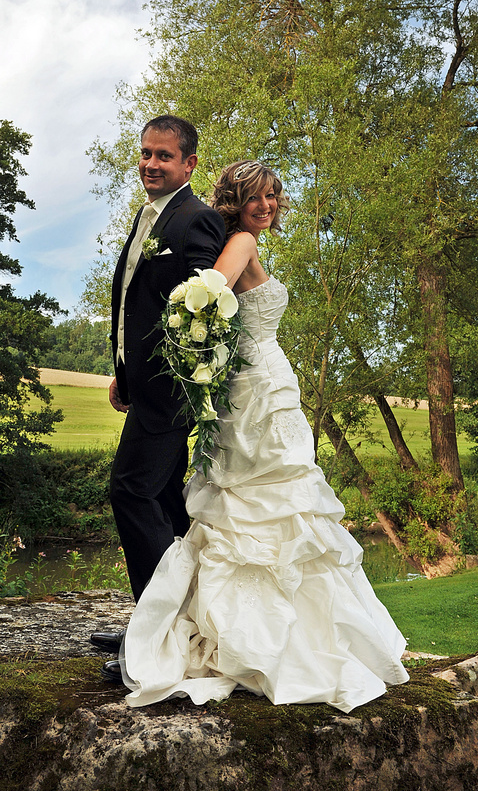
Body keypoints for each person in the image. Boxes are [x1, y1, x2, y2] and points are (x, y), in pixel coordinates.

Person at [116, 160, 410, 711]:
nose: (267, 205)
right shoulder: (242, 242)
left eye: (274, 196)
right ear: (235, 198)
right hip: (255, 386)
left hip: (263, 384)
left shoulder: (240, 240)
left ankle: (254, 627)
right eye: (257, 196)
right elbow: (200, 297)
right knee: (266, 499)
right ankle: (273, 637)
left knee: (268, 499)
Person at [90, 116, 226, 683]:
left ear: (189, 164)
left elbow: (204, 314)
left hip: (170, 393)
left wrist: (168, 381)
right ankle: (170, 621)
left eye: (163, 156)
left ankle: (154, 635)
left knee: (131, 491)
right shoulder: (151, 218)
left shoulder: (195, 221)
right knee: (168, 507)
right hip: (143, 387)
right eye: (146, 153)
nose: (150, 163)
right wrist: (123, 371)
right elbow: (134, 305)